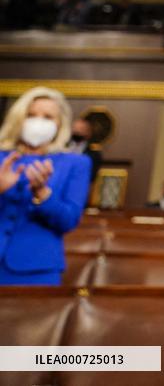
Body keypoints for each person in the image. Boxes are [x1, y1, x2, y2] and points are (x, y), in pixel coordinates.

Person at [0, 86, 91, 284]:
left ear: (60, 124)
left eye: (48, 117)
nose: (38, 122)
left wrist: (42, 194)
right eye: (31, 115)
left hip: (36, 270)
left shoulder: (76, 163)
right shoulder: (2, 157)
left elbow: (68, 220)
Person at [67, 117, 102, 184]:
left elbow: (92, 177)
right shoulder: (62, 148)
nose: (77, 131)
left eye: (81, 129)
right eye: (75, 128)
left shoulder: (94, 154)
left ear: (88, 133)